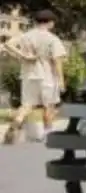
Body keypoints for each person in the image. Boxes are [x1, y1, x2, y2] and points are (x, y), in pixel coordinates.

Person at [2, 9, 66, 144]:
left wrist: (23, 56)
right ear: (50, 23)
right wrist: (61, 81)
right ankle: (48, 135)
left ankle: (16, 123)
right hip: (47, 77)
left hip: (28, 76)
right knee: (49, 107)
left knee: (26, 106)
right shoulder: (52, 39)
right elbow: (57, 61)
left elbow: (7, 44)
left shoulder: (26, 36)